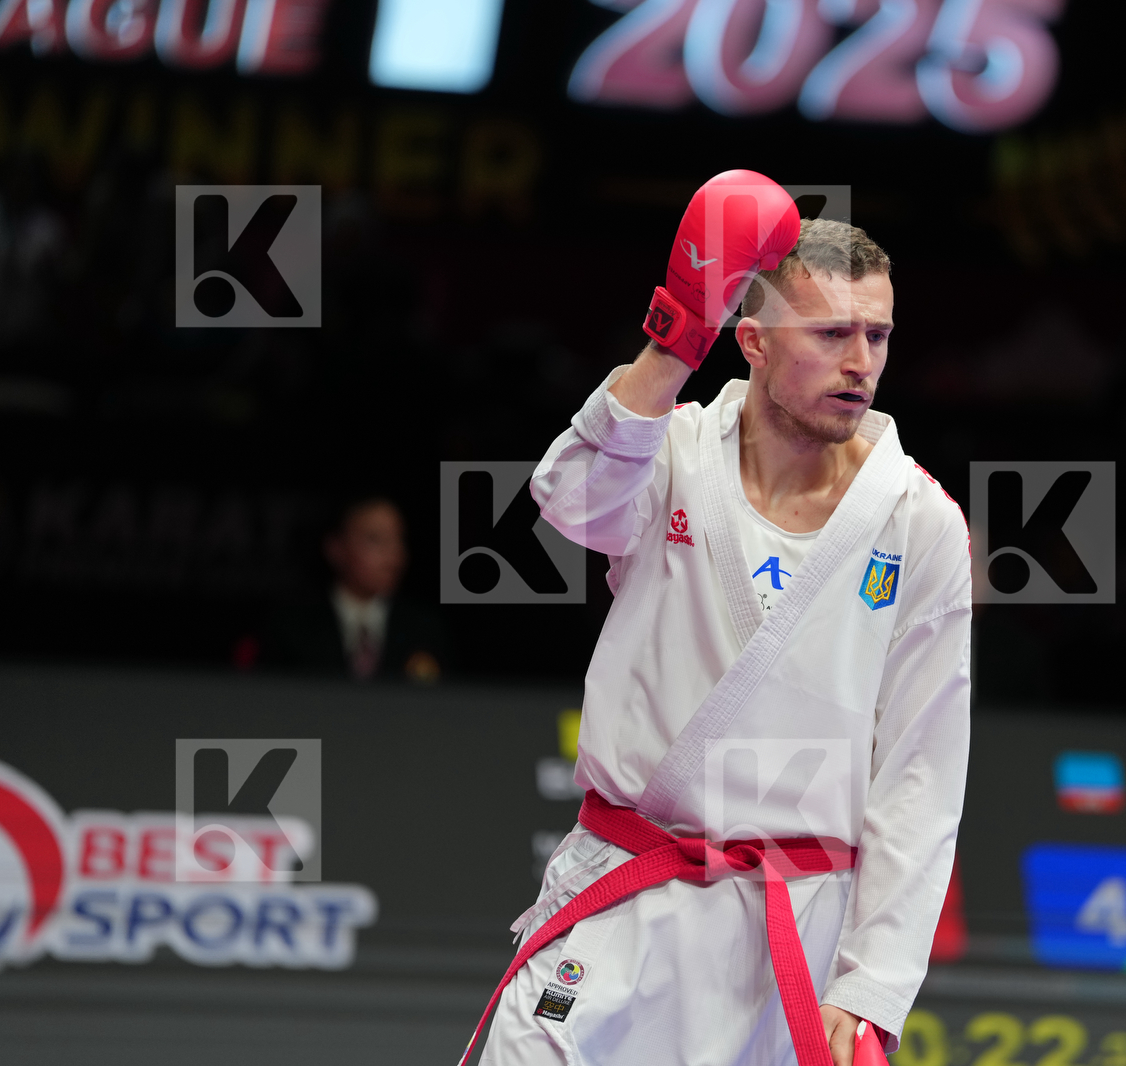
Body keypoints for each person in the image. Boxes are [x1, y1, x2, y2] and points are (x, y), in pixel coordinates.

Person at [469, 172, 970, 1066]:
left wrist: (873, 988)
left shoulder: (918, 520)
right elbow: (569, 501)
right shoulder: (670, 448)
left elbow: (922, 773)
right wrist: (672, 338)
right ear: (752, 341)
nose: (861, 361)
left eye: (878, 334)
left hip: (791, 932)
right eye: (830, 333)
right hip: (625, 888)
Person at [261, 496, 452, 683]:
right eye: (375, 540)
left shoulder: (423, 628)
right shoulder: (293, 626)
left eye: (398, 540)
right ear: (336, 548)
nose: (394, 556)